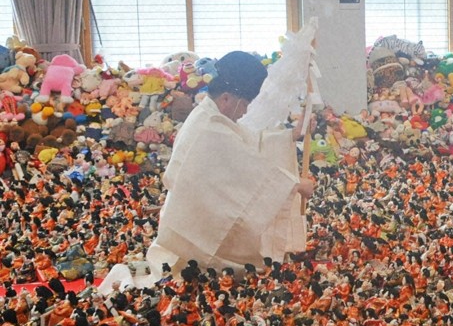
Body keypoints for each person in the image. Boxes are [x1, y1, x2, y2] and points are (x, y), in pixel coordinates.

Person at [103, 51, 313, 290]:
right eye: (244, 104)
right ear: (226, 98)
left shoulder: (209, 115)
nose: (244, 112)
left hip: (187, 219)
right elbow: (249, 167)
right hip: (192, 230)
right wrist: (294, 185)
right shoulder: (211, 127)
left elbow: (249, 143)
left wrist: (291, 136)